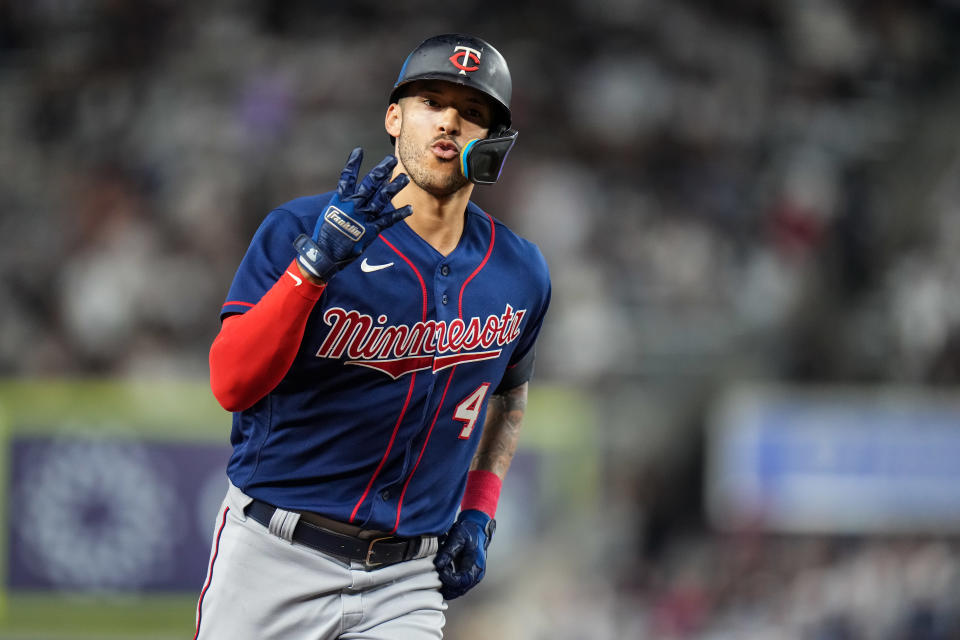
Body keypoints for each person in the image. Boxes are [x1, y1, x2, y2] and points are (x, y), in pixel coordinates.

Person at [193, 33, 551, 640]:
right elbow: (230, 383)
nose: (448, 122)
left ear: (493, 143)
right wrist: (311, 269)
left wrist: (480, 509)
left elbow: (509, 396)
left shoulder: (520, 271)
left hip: (406, 581)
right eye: (430, 102)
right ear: (394, 117)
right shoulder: (300, 229)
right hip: (273, 556)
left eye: (472, 113)